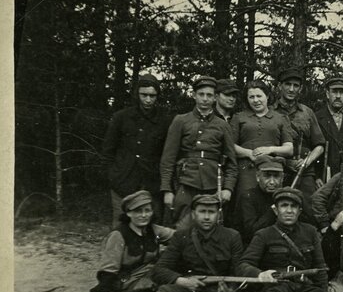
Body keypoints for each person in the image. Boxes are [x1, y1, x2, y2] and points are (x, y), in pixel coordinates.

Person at [119, 194, 248, 292]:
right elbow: (159, 270)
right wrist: (182, 281)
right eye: (202, 211)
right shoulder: (181, 237)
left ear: (218, 214)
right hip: (189, 290)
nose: (207, 217)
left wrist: (230, 289)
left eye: (211, 212)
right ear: (193, 214)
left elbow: (238, 270)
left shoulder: (232, 236)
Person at [236, 187, 337, 292]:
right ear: (275, 210)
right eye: (284, 206)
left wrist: (321, 291)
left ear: (300, 211)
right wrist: (260, 274)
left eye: (293, 206)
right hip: (276, 285)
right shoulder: (263, 234)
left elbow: (320, 267)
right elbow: (243, 264)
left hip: (301, 286)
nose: (289, 211)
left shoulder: (310, 232)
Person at [159, 75, 238, 230]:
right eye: (201, 94)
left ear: (215, 98)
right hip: (185, 183)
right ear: (194, 95)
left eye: (209, 95)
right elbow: (168, 159)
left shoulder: (222, 125)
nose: (205, 99)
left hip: (213, 185)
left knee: (210, 229)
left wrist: (228, 189)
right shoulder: (181, 121)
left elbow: (231, 163)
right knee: (182, 228)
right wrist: (167, 190)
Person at [83, 190, 174, 292]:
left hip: (149, 275)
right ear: (128, 213)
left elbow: (180, 236)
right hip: (126, 284)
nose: (144, 215)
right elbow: (108, 271)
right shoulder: (118, 235)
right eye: (138, 211)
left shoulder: (153, 230)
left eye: (147, 210)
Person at [102, 74, 172, 226]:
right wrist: (113, 176)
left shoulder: (165, 121)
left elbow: (168, 154)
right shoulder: (121, 118)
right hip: (123, 183)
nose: (148, 100)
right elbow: (108, 151)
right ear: (137, 94)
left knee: (152, 227)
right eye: (144, 95)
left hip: (152, 185)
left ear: (157, 96)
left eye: (152, 96)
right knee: (121, 227)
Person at [229, 79, 294, 222]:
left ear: (267, 96)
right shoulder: (239, 117)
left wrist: (270, 149)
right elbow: (230, 146)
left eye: (259, 96)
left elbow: (289, 149)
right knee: (246, 203)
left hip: (272, 169)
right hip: (247, 170)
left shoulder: (280, 118)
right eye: (251, 97)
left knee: (274, 204)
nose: (256, 100)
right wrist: (249, 153)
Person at [272, 67, 326, 197]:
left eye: (295, 86)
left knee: (308, 204)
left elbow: (319, 146)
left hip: (304, 171)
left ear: (300, 88)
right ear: (279, 86)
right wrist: (286, 162)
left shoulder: (307, 113)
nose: (291, 89)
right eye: (287, 84)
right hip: (276, 168)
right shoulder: (270, 112)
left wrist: (306, 162)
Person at [236, 154, 314, 245]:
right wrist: (274, 209)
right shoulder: (248, 197)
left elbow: (309, 223)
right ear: (257, 177)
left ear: (282, 178)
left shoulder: (289, 196)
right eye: (267, 176)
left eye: (276, 176)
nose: (272, 182)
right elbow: (251, 233)